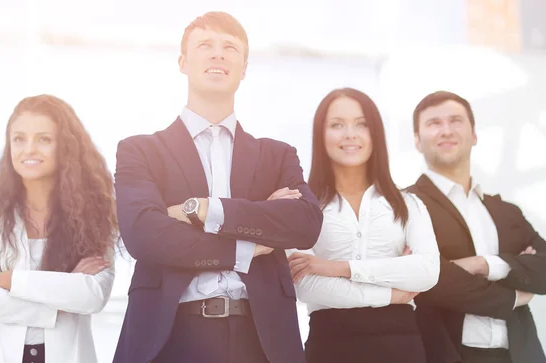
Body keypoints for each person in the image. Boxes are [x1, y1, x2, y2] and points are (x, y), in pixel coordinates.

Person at [112, 11, 323, 363]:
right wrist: (248, 244)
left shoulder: (277, 155)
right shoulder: (140, 150)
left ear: (244, 68)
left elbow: (305, 223)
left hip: (262, 341)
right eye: (205, 45)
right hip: (171, 338)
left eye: (230, 47)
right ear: (183, 62)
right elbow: (143, 234)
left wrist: (204, 210)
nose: (217, 54)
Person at [0, 94, 117, 363]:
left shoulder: (94, 218)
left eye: (44, 139)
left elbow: (92, 296)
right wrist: (56, 303)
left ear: (65, 147)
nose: (29, 149)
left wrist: (9, 280)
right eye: (19, 139)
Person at [287, 88, 440, 363]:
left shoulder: (408, 204)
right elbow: (305, 285)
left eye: (361, 124)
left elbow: (427, 271)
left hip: (400, 347)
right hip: (330, 347)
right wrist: (392, 294)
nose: (350, 134)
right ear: (320, 135)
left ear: (376, 135)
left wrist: (338, 268)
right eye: (337, 125)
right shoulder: (301, 207)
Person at [409, 90, 546, 363]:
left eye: (456, 120)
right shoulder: (406, 206)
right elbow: (426, 283)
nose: (446, 130)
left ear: (474, 135)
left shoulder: (506, 211)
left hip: (521, 356)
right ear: (417, 141)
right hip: (445, 355)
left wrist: (483, 264)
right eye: (434, 123)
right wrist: (515, 291)